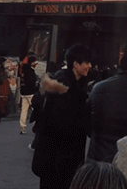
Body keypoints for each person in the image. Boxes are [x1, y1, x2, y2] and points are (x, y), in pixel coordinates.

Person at [32, 44, 94, 189]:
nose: (90, 66)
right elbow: (60, 125)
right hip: (57, 160)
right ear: (75, 64)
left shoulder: (76, 85)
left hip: (64, 159)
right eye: (86, 62)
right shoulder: (63, 87)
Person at [20, 55, 39, 134]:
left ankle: (22, 127)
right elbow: (32, 83)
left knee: (24, 110)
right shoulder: (31, 71)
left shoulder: (24, 70)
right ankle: (36, 125)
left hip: (24, 93)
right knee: (35, 110)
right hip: (31, 93)